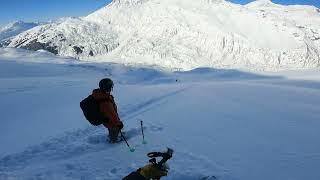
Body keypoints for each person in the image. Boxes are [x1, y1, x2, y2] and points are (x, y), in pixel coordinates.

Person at [92, 78, 124, 143]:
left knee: (111, 128)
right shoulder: (105, 101)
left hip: (107, 121)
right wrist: (118, 124)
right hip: (111, 122)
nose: (111, 88)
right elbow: (112, 115)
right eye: (110, 86)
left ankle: (112, 136)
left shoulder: (101, 95)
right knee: (114, 132)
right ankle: (114, 142)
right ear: (107, 87)